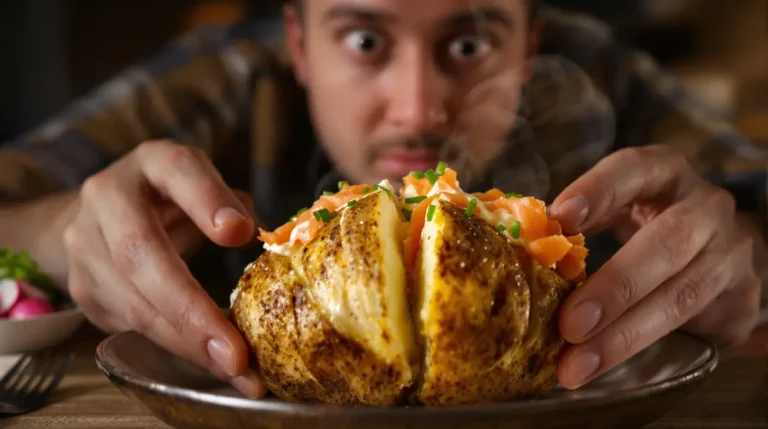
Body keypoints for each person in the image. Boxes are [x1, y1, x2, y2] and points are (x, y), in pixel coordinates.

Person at [0, 0, 766, 398]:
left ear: (531, 45)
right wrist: (64, 227)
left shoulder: (600, 72)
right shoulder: (228, 79)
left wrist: (749, 258)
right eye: (365, 41)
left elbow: (751, 199)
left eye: (469, 45)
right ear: (298, 44)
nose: (418, 110)